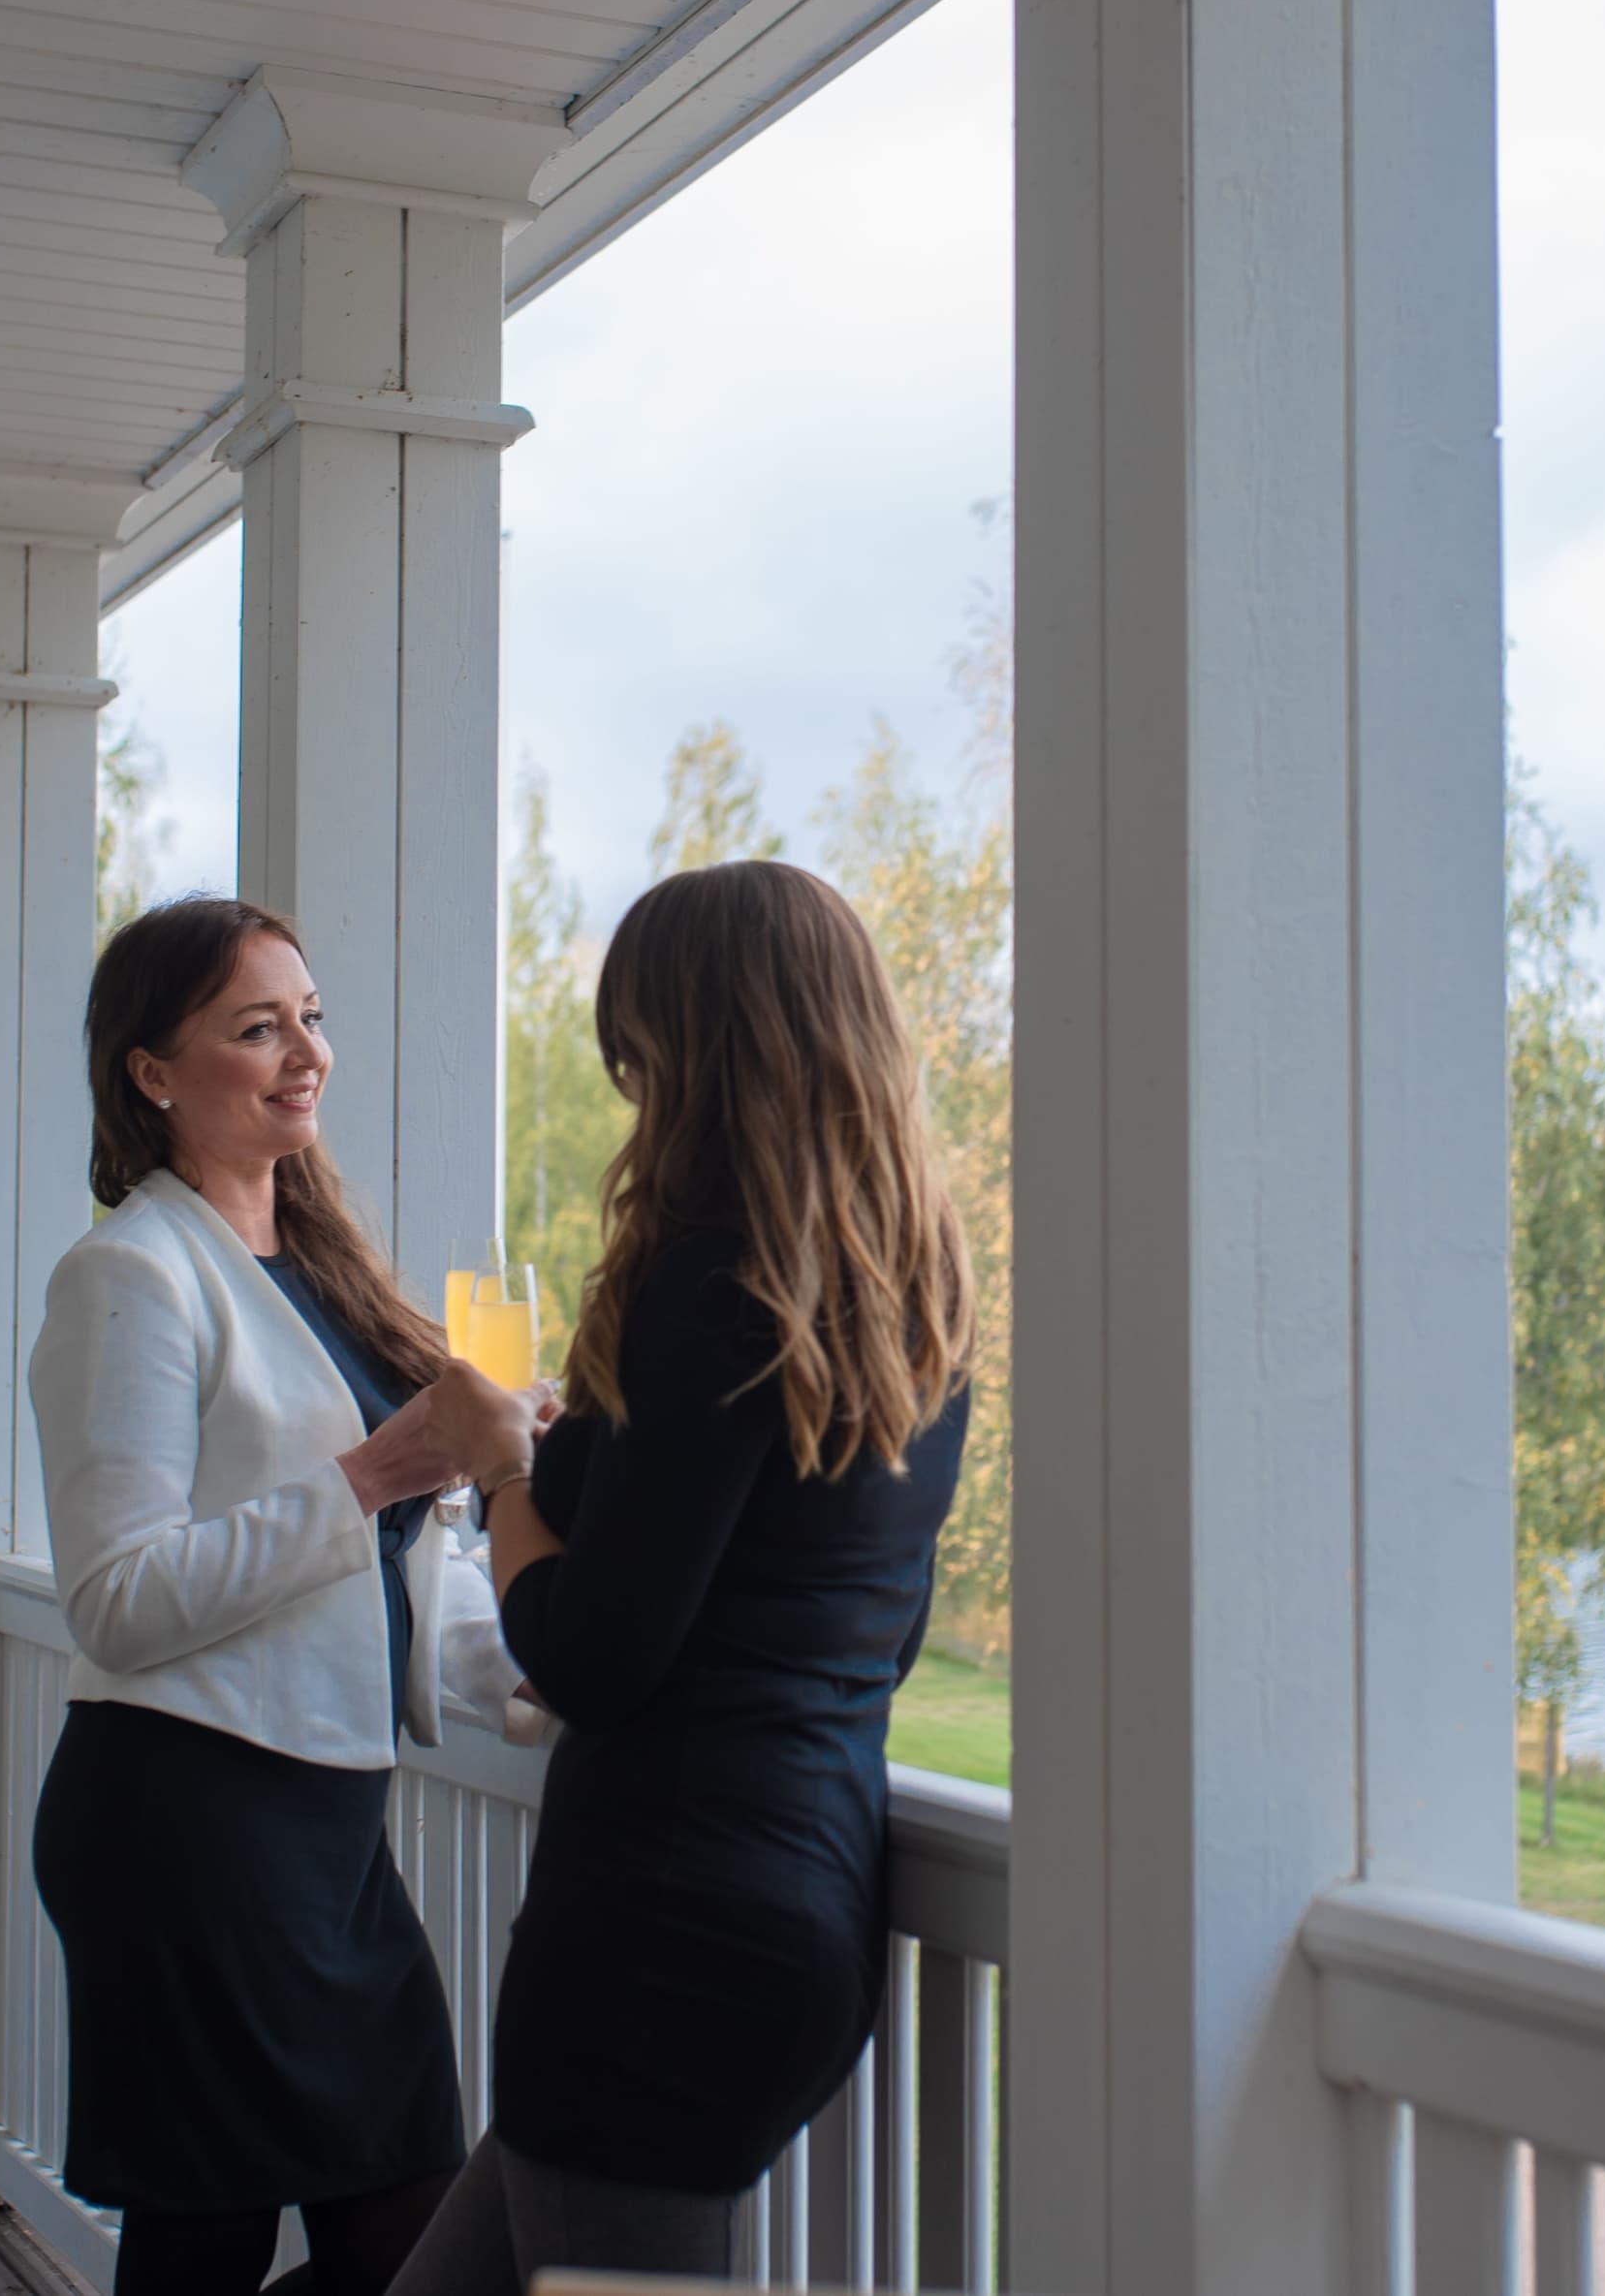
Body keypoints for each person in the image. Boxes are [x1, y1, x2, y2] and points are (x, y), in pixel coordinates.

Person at [392, 860, 975, 2292]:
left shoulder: (708, 1285)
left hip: (657, 1929)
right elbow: (866, 1635)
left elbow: (588, 1659)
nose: (631, 1091)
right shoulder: (911, 1312)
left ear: (698, 1054)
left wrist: (502, 1471)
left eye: (638, 1055)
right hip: (806, 1901)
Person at [27, 896, 542, 2296]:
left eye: (310, 1018)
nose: (305, 1052)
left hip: (320, 1833)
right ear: (151, 1071)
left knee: (399, 2237)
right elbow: (118, 1601)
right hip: (188, 1826)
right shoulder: (127, 1276)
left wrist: (526, 1668)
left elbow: (378, 1571)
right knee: (223, 2237)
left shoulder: (321, 1270)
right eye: (257, 1028)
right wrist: (376, 1472)